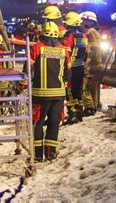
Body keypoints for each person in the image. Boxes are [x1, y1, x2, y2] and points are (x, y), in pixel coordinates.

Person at [30, 22, 70, 161]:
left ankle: (38, 154)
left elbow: (27, 70)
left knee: (38, 123)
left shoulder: (36, 48)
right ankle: (50, 153)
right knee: (54, 123)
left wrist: (21, 86)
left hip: (39, 95)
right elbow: (67, 74)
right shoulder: (64, 50)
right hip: (58, 95)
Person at [62, 12, 87, 124]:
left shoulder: (68, 36)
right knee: (78, 91)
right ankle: (79, 112)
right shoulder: (83, 35)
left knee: (70, 92)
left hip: (70, 68)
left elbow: (66, 52)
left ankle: (73, 113)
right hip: (80, 67)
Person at [80, 11, 102, 116]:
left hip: (90, 64)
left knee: (85, 86)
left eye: (83, 20)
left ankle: (89, 107)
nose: (81, 22)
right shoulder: (96, 32)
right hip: (96, 63)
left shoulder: (90, 32)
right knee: (93, 86)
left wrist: (87, 60)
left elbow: (93, 49)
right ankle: (95, 105)